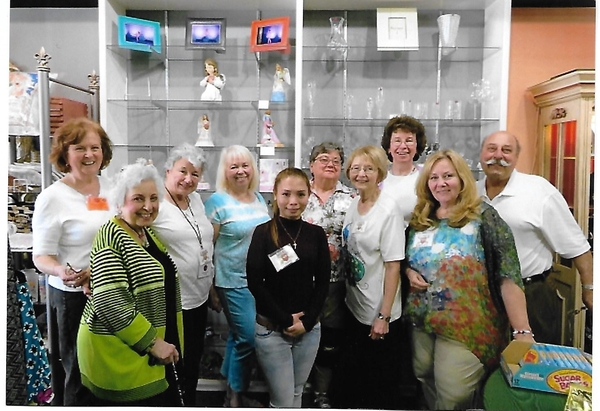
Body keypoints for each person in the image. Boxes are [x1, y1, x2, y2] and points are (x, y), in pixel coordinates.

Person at [405, 149, 533, 410]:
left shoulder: (484, 218)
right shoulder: (421, 219)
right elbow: (405, 259)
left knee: (453, 393)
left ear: (462, 178)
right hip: (421, 321)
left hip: (468, 326)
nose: (440, 183)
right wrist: (408, 272)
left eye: (448, 176)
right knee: (424, 377)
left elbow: (508, 274)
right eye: (434, 177)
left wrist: (522, 331)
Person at [77, 159, 184, 406]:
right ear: (120, 201)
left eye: (154, 198)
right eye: (138, 198)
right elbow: (109, 300)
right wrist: (153, 343)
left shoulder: (146, 233)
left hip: (143, 351)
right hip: (119, 354)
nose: (148, 206)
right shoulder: (111, 234)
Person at [477, 131, 593, 344]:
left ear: (516, 157)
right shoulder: (471, 194)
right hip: (482, 297)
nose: (498, 155)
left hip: (532, 295)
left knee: (534, 366)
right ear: (481, 153)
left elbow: (577, 246)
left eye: (507, 150)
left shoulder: (538, 191)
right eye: (491, 148)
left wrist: (590, 289)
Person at [32, 117, 113, 406]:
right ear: (65, 154)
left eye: (95, 147)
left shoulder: (111, 189)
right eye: (80, 148)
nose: (89, 155)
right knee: (78, 375)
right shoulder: (52, 198)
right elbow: (41, 256)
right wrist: (60, 271)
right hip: (74, 297)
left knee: (108, 372)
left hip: (111, 292)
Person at [247, 167, 330, 408]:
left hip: (309, 330)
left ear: (309, 194)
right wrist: (284, 320)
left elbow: (323, 281)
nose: (293, 202)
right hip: (272, 330)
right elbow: (255, 282)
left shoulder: (316, 234)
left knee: (296, 393)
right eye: (286, 194)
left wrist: (307, 321)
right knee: (282, 400)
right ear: (275, 195)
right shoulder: (262, 233)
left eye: (300, 194)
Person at [335, 145, 405, 410]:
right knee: (357, 381)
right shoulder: (356, 201)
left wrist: (383, 316)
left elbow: (393, 265)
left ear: (379, 172)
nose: (361, 174)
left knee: (379, 386)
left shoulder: (388, 210)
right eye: (355, 168)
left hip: (378, 312)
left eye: (368, 168)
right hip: (355, 305)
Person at [204, 145, 271, 407]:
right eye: (234, 166)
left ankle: (228, 388)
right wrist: (210, 289)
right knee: (249, 338)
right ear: (225, 171)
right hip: (231, 281)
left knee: (236, 336)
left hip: (258, 281)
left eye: (245, 165)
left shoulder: (258, 198)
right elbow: (207, 249)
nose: (241, 171)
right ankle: (236, 396)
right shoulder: (216, 202)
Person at [152, 143, 217, 406]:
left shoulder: (196, 200)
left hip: (199, 297)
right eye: (183, 171)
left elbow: (202, 244)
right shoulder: (155, 202)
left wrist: (211, 288)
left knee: (192, 361)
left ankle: (187, 403)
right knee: (173, 364)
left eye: (195, 174)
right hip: (173, 303)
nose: (188, 179)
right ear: (168, 170)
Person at [302, 142, 355, 409]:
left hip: (338, 283)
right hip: (301, 283)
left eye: (337, 160)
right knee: (301, 335)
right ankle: (300, 388)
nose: (331, 163)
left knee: (330, 339)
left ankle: (322, 392)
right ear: (311, 165)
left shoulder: (352, 198)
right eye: (324, 159)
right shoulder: (299, 194)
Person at [380, 115, 428, 226]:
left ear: (417, 146)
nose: (403, 146)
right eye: (397, 141)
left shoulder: (427, 175)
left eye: (409, 140)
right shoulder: (379, 179)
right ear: (388, 147)